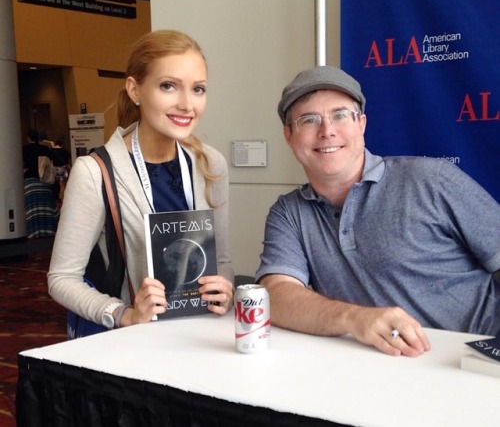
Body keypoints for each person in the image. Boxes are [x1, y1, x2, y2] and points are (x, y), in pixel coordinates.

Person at [255, 65, 500, 357]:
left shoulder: (432, 179)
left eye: (340, 115)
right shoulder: (289, 213)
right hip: (374, 376)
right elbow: (278, 296)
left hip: (475, 364)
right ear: (289, 136)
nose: (327, 130)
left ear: (362, 123)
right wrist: (353, 317)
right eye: (309, 120)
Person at [48, 30, 234, 332]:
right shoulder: (94, 172)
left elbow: (222, 259)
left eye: (198, 89)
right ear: (135, 90)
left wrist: (224, 287)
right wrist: (123, 313)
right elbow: (61, 279)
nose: (187, 104)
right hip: (131, 345)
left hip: (196, 336)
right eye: (168, 86)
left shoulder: (210, 165)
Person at [22, 128, 59, 237]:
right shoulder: (45, 149)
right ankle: (47, 230)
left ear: (28, 138)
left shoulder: (24, 149)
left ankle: (33, 231)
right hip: (44, 182)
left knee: (31, 209)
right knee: (46, 207)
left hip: (29, 184)